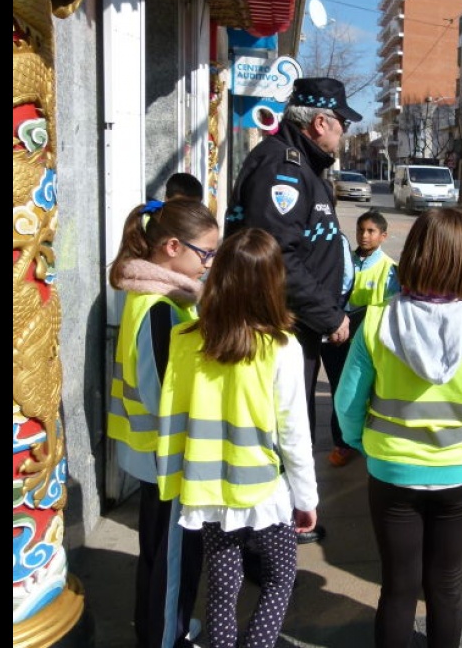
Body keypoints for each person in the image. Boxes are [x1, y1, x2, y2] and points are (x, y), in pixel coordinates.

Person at [332, 207, 462, 648]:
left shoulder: (378, 322)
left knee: (398, 586)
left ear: (415, 255)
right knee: (447, 583)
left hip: (392, 471)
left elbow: (347, 404)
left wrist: (367, 445)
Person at [154, 228, 319, 648]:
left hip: (206, 490)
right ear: (273, 283)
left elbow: (173, 415)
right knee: (281, 579)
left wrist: (174, 480)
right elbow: (295, 434)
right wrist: (307, 499)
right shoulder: (281, 347)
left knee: (222, 588)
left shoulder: (186, 340)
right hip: (262, 492)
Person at [225, 76, 362, 544]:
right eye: (342, 123)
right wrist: (330, 315)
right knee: (284, 430)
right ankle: (272, 539)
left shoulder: (303, 164)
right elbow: (277, 257)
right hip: (282, 325)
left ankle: (282, 524)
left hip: (296, 325)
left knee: (291, 425)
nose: (344, 132)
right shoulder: (282, 168)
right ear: (320, 122)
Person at [106, 198, 218, 648]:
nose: (208, 266)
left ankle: (160, 627)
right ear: (173, 246)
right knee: (172, 560)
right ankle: (165, 636)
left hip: (153, 454)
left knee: (157, 553)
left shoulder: (153, 295)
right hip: (167, 457)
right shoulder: (160, 305)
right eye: (205, 255)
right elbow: (160, 392)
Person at [325, 210, 400, 468]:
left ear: (383, 236)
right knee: (340, 389)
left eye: (371, 231)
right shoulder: (343, 259)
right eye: (361, 230)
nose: (364, 236)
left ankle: (367, 439)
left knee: (368, 391)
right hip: (338, 338)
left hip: (369, 342)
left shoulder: (390, 269)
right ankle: (342, 442)